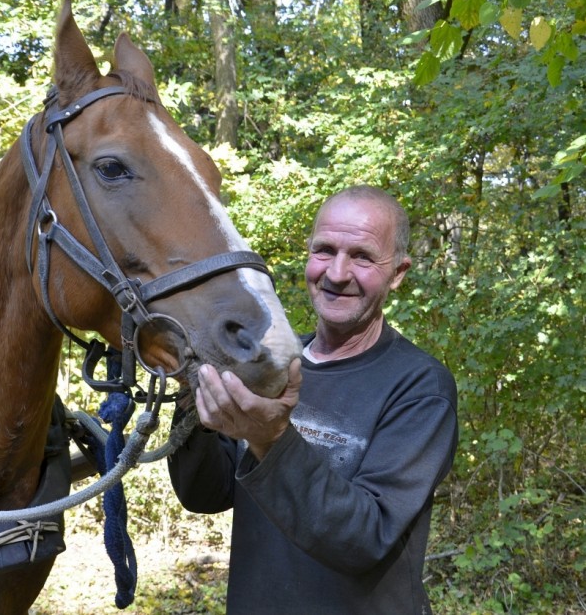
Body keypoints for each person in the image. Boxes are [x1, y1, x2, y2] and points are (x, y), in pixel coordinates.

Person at [168, 185, 458, 614]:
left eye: (362, 256)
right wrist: (191, 394)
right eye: (324, 250)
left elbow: (367, 538)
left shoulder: (419, 387)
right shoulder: (272, 365)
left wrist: (271, 439)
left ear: (398, 272)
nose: (337, 273)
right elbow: (206, 493)